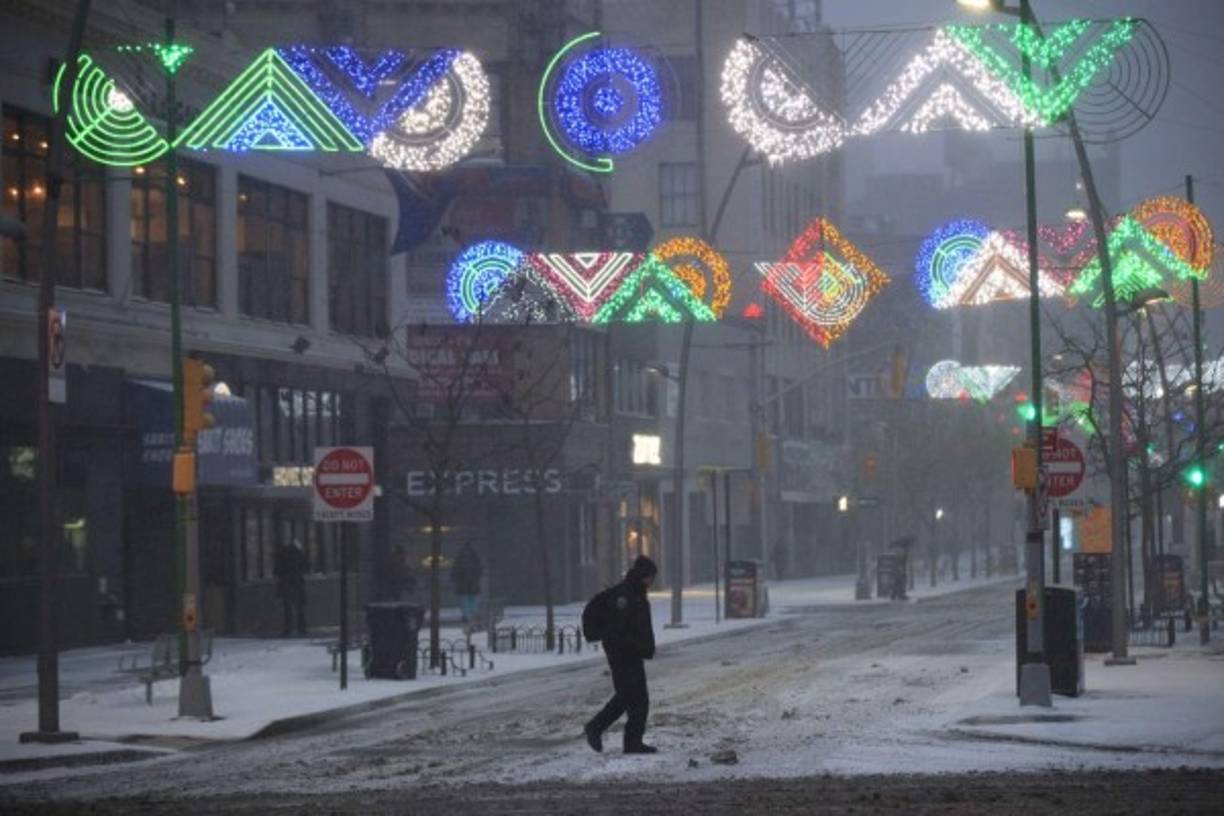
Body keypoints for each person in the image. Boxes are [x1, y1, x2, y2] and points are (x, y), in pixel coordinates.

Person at [584, 555, 658, 755]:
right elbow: (618, 628)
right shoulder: (625, 596)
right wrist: (630, 645)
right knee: (629, 697)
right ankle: (596, 727)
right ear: (644, 576)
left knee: (637, 699)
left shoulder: (635, 592)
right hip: (623, 655)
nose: (652, 581)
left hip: (632, 653)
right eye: (651, 577)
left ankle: (632, 742)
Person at [275, 538, 308, 637]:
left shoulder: (282, 555)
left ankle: (288, 628)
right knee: (300, 607)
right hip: (298, 583)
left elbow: (277, 570)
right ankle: (302, 628)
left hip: (286, 583)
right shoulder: (300, 554)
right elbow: (306, 567)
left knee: (288, 607)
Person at [450, 542, 482, 624]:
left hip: (463, 587)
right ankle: (471, 618)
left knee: (466, 603)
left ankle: (468, 618)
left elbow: (454, 572)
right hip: (472, 587)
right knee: (472, 603)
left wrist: (455, 580)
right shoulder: (475, 559)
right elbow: (479, 571)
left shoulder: (459, 560)